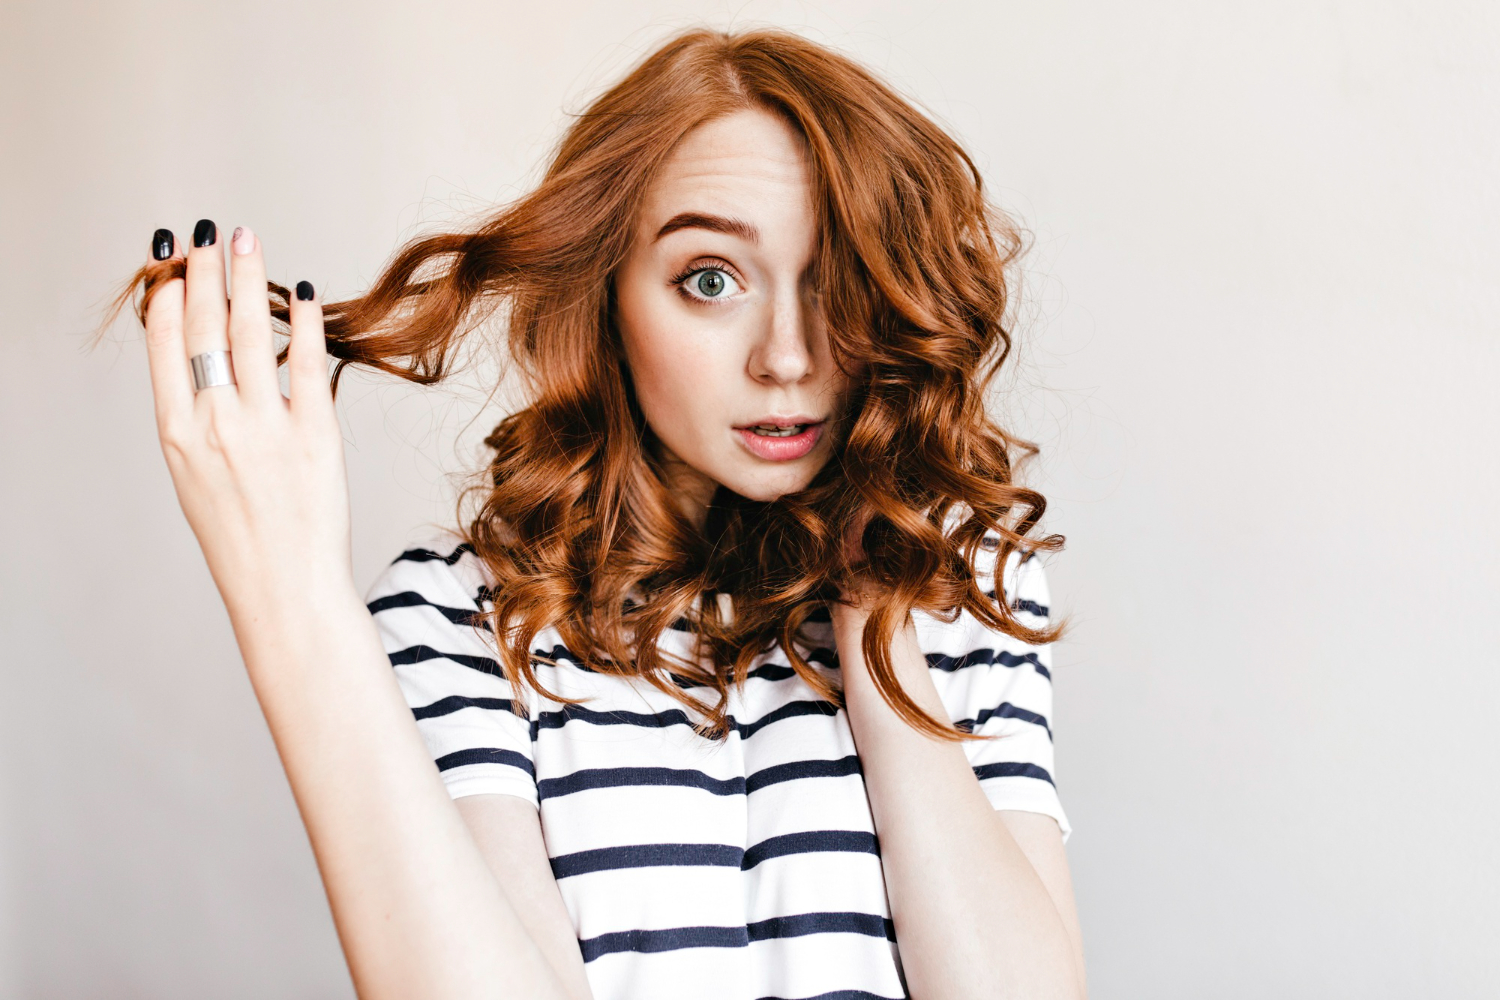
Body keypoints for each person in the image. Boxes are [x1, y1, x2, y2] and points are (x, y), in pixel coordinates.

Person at [118, 27, 1086, 1000]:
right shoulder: (461, 618)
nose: (787, 357)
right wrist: (287, 588)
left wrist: (880, 616)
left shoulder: (973, 591)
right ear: (606, 292)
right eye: (711, 279)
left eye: (836, 281)